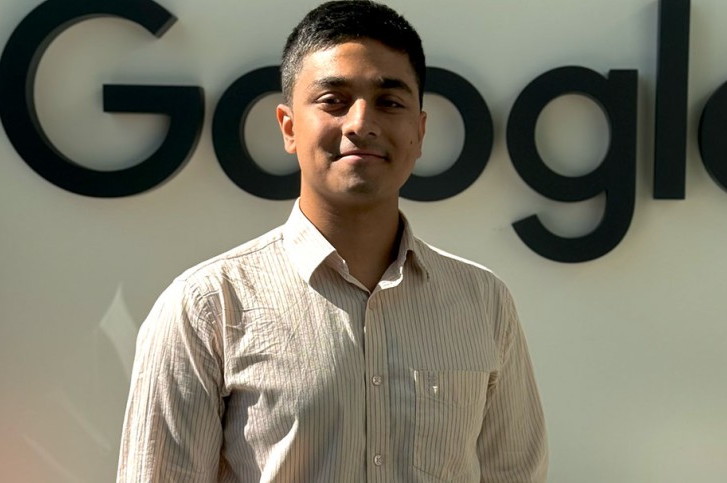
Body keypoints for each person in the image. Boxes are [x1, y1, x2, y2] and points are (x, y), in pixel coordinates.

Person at [117, 1, 548, 481]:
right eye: (333, 100)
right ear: (288, 127)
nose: (361, 123)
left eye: (390, 102)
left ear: (420, 131)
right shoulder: (207, 307)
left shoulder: (482, 302)